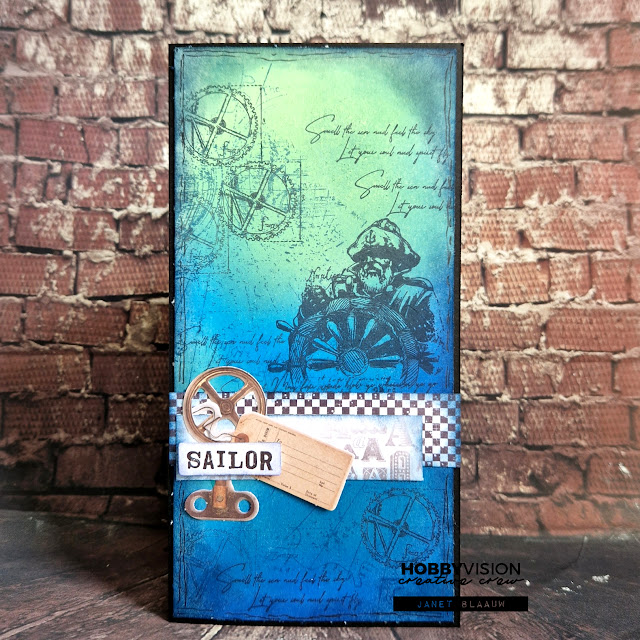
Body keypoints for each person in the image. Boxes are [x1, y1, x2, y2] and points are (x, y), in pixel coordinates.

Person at [294, 218, 437, 373]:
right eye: (365, 256)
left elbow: (433, 354)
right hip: (344, 377)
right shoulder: (339, 290)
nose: (370, 261)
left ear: (396, 262)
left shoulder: (414, 296)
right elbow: (305, 346)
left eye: (380, 254)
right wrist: (308, 311)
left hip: (394, 376)